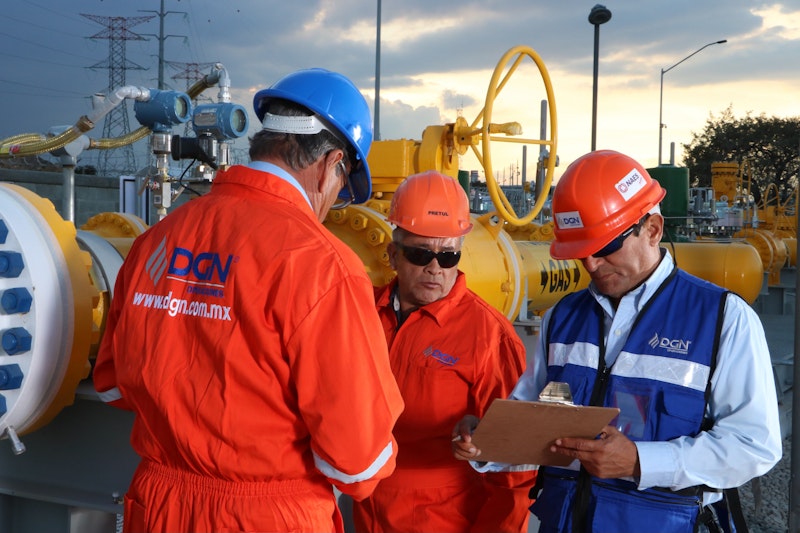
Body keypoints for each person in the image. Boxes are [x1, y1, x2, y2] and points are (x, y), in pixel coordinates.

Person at [93, 68, 404, 533]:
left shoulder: (156, 241)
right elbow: (358, 464)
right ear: (331, 163)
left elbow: (113, 385)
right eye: (342, 186)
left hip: (158, 506)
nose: (334, 198)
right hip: (265, 516)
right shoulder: (322, 266)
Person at [453, 150, 782, 533]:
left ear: (653, 230)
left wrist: (641, 461)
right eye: (580, 253)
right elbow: (534, 419)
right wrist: (488, 444)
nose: (592, 265)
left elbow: (754, 446)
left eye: (605, 247)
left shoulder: (723, 319)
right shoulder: (562, 317)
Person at [351, 170, 536, 533]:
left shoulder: (489, 336)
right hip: (366, 506)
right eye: (420, 254)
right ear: (392, 254)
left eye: (448, 257)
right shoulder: (360, 315)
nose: (435, 268)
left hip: (446, 517)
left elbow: (517, 467)